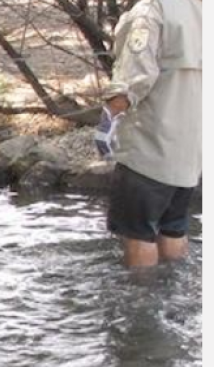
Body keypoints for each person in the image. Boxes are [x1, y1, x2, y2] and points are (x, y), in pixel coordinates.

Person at [95, 0, 201, 268]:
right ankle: (172, 300)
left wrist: (107, 122)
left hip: (150, 145)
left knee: (138, 234)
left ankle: (140, 304)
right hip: (191, 153)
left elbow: (133, 79)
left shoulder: (152, 10)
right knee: (173, 229)